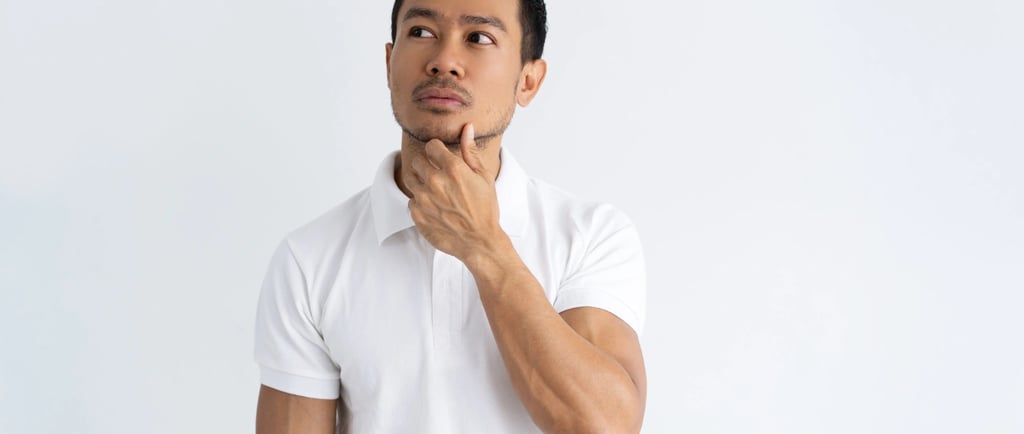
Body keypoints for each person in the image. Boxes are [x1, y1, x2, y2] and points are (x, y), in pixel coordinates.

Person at [253, 0, 647, 432]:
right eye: (421, 32)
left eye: (479, 37)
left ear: (528, 81)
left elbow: (605, 426)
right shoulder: (309, 258)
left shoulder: (591, 236)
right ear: (389, 64)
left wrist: (484, 246)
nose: (444, 61)